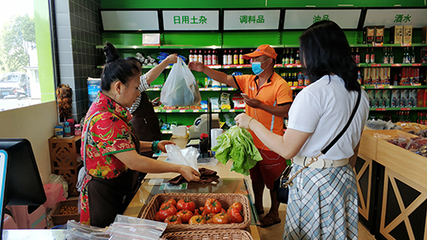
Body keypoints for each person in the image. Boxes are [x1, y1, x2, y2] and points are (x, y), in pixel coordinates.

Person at [235, 20, 370, 239]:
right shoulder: (360, 95)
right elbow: (354, 149)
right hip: (344, 178)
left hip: (314, 181)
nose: (301, 59)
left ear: (316, 54)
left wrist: (251, 123)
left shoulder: (313, 94)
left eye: (303, 52)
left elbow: (287, 149)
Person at [79, 42, 200, 227]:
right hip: (105, 196)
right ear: (118, 87)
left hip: (118, 187)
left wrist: (153, 145)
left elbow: (121, 146)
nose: (138, 94)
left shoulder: (110, 109)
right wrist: (178, 168)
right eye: (136, 88)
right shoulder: (105, 119)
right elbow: (134, 160)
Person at [189, 45, 293, 228]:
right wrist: (204, 69)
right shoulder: (249, 80)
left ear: (269, 61)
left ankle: (274, 213)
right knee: (256, 179)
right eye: (252, 59)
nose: (253, 63)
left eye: (257, 60)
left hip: (272, 143)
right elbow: (226, 78)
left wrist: (260, 105)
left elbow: (285, 111)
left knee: (274, 183)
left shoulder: (280, 85)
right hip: (250, 143)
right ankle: (259, 207)